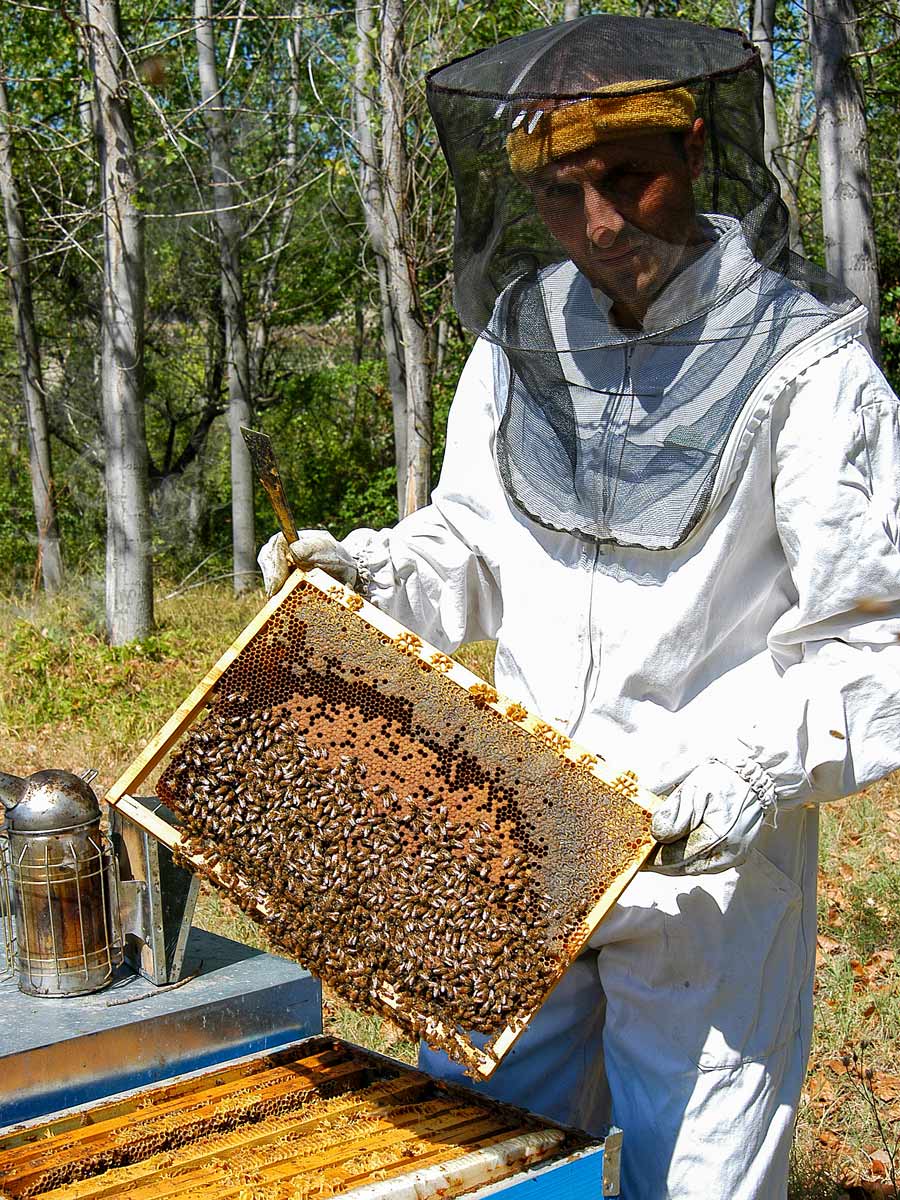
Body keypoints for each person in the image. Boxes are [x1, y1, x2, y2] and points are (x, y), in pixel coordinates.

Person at [259, 15, 900, 1198]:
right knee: (478, 1157)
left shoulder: (812, 371)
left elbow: (876, 631)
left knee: (691, 1181)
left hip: (704, 864)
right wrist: (374, 578)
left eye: (628, 177)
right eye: (563, 192)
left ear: (697, 151)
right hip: (516, 836)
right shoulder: (520, 342)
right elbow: (471, 547)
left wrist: (750, 768)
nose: (601, 223)